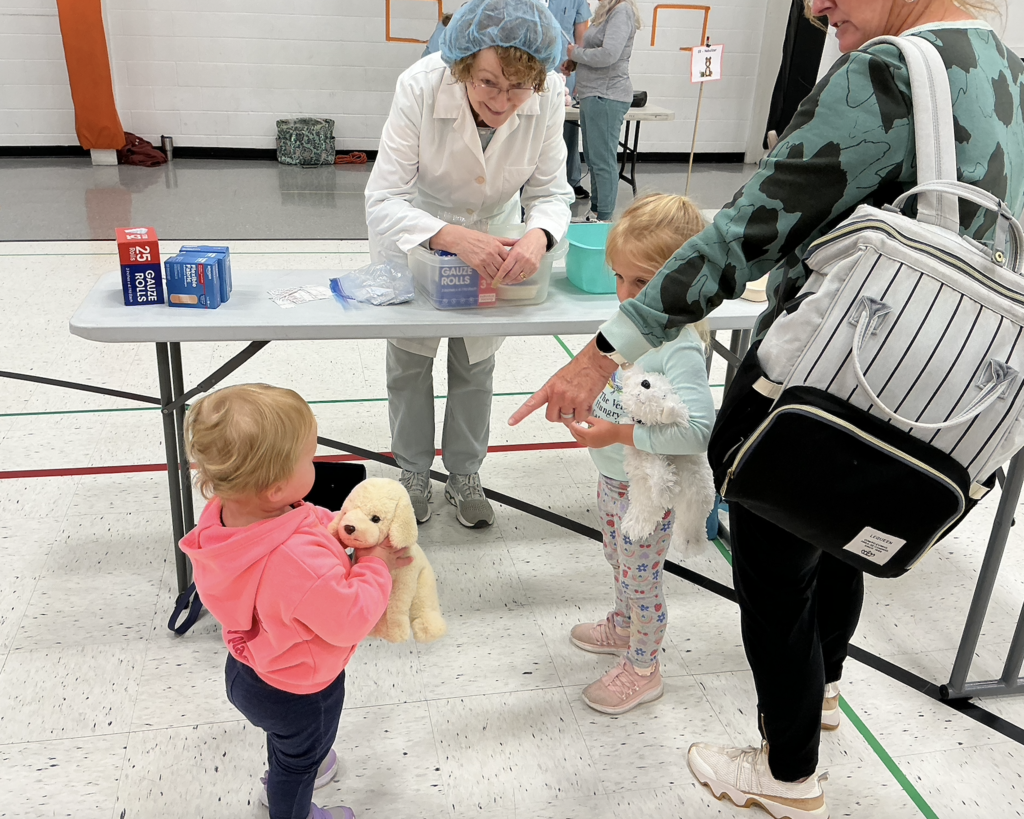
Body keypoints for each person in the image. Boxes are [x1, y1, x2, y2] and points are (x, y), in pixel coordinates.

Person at [510, 0, 1022, 815]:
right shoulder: (1006, 71)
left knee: (776, 566)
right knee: (842, 540)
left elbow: (747, 229)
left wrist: (608, 345)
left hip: (830, 384)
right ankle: (825, 689)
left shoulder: (891, 71)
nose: (817, 9)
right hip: (926, 395)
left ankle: (786, 772)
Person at [365, 0, 574, 529]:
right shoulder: (419, 85)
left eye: (518, 88)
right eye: (486, 84)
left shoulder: (548, 96)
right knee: (410, 362)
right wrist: (451, 237)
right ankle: (412, 471)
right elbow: (385, 197)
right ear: (462, 67)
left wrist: (539, 235)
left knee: (476, 363)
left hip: (498, 231)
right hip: (420, 231)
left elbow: (552, 191)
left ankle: (464, 473)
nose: (503, 102)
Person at [180, 384, 410, 819]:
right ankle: (293, 803)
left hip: (251, 665)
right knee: (297, 759)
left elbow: (301, 516)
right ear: (274, 487)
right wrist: (375, 563)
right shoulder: (295, 564)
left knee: (287, 740)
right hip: (301, 690)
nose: (316, 462)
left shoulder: (225, 516)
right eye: (309, 457)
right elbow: (350, 618)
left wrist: (340, 525)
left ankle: (301, 757)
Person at [566, 194, 714, 714]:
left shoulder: (680, 346)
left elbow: (697, 432)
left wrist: (618, 436)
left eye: (641, 283)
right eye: (620, 278)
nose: (626, 295)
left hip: (648, 490)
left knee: (642, 578)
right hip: (614, 480)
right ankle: (623, 625)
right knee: (617, 559)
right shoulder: (634, 324)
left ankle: (644, 666)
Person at [567, 0, 640, 223]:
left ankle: (605, 218)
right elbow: (594, 50)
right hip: (593, 95)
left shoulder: (622, 10)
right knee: (593, 158)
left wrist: (576, 54)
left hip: (607, 96)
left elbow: (609, 54)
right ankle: (597, 210)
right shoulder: (605, 12)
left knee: (603, 160)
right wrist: (574, 62)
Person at [547, 0, 592, 198]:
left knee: (569, 127)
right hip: (535, 64)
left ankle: (570, 180)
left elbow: (580, 35)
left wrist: (578, 66)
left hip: (565, 67)